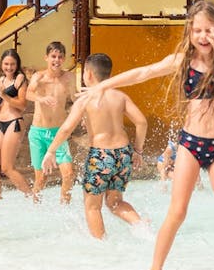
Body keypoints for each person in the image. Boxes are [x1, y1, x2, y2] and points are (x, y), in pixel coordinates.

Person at [88, 0, 214, 270]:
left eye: (209, 30)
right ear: (189, 32)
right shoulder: (182, 61)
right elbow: (144, 72)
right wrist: (103, 85)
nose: (203, 36)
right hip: (190, 145)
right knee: (177, 211)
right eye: (198, 30)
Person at [42, 53, 147, 239]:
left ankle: (101, 245)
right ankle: (142, 226)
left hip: (101, 155)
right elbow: (141, 122)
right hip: (123, 154)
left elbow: (66, 129)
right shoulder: (120, 96)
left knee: (92, 207)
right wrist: (138, 151)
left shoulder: (85, 99)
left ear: (88, 74)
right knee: (115, 203)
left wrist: (51, 151)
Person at [27, 40, 78, 204]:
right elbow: (28, 94)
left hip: (58, 133)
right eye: (53, 56)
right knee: (41, 179)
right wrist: (41, 99)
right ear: (46, 58)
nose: (56, 60)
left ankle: (65, 208)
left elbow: (75, 98)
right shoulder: (39, 77)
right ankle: (35, 208)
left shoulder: (69, 77)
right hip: (38, 133)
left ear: (64, 59)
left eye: (60, 57)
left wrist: (84, 112)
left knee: (69, 174)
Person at [0, 49, 34, 200]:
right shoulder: (1, 81)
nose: (9, 67)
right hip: (2, 123)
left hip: (15, 123)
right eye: (6, 64)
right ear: (2, 64)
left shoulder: (20, 79)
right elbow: (1, 108)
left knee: (7, 167)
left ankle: (33, 199)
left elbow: (22, 105)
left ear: (17, 65)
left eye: (12, 64)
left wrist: (4, 95)